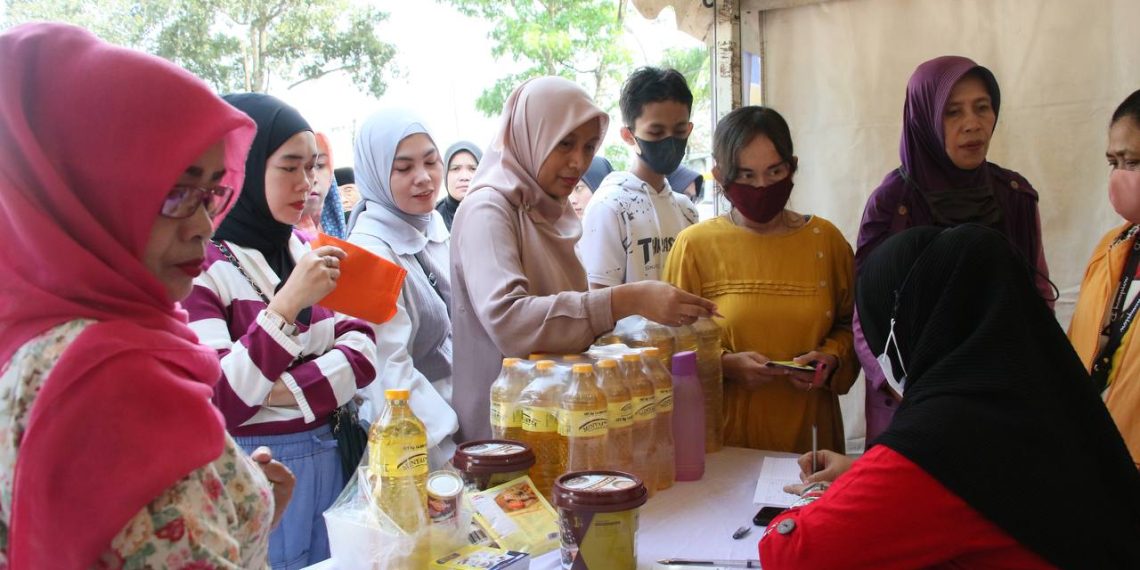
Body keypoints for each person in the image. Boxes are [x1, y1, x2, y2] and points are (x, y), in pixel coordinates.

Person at [0, 23, 294, 568]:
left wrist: (233, 505)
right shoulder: (111, 378)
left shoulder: (36, 339)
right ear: (86, 192)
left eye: (211, 192)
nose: (205, 224)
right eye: (175, 194)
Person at [760, 225, 1140, 569]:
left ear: (907, 326)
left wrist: (817, 495)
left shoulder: (946, 436)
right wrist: (860, 475)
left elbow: (793, 554)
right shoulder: (1039, 390)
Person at [449, 76, 718, 442]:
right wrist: (628, 299)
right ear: (532, 135)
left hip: (554, 422)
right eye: (564, 144)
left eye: (590, 147)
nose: (578, 162)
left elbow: (568, 326)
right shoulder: (490, 208)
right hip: (503, 433)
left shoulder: (551, 209)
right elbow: (510, 321)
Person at [184, 93, 380, 569]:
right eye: (289, 167)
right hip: (260, 467)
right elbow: (222, 398)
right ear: (243, 171)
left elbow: (363, 349)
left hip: (334, 454)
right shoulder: (200, 266)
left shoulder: (302, 246)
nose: (307, 184)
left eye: (312, 168)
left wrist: (276, 388)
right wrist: (290, 303)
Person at [854, 55, 1051, 443]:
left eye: (982, 108)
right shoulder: (893, 202)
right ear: (924, 118)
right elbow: (865, 311)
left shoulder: (1013, 195)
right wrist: (900, 385)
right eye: (952, 112)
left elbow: (1038, 293)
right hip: (913, 397)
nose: (972, 124)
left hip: (1000, 391)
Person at [662, 106, 857, 453]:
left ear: (792, 167)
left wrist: (831, 357)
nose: (763, 186)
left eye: (774, 171)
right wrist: (723, 365)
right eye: (747, 176)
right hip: (724, 439)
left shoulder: (826, 241)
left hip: (810, 436)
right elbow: (670, 347)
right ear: (720, 175)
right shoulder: (694, 246)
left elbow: (851, 327)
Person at [347, 109, 458, 467]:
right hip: (419, 447)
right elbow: (387, 376)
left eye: (431, 161)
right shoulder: (364, 256)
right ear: (377, 173)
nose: (424, 178)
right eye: (404, 168)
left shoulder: (434, 229)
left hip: (463, 422)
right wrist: (451, 450)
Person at [1069, 89, 1140, 467]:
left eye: (1132, 162)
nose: (1118, 178)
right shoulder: (1110, 247)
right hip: (1099, 464)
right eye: (1113, 162)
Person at [580, 67, 699, 286]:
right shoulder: (608, 207)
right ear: (628, 136)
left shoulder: (687, 210)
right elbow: (599, 300)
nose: (670, 140)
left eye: (680, 131)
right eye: (656, 132)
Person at [295, 132, 346, 240]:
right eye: (293, 168)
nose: (313, 179)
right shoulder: (275, 245)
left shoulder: (336, 230)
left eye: (319, 165)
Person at [436, 141, 482, 230]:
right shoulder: (433, 218)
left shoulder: (497, 212)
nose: (464, 177)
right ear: (445, 174)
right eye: (455, 169)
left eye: (473, 169)